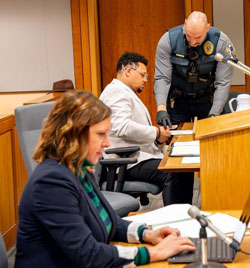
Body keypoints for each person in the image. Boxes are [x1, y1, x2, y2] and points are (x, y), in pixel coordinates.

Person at [14, 90, 195, 268]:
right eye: (101, 134)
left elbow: (109, 221)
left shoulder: (78, 168)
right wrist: (152, 253)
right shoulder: (51, 183)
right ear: (74, 134)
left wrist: (147, 234)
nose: (108, 143)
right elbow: (88, 254)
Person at [100, 51, 194, 206]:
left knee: (183, 165)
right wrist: (156, 132)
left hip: (137, 156)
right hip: (127, 162)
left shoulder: (124, 91)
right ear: (128, 71)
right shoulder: (116, 92)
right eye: (143, 75)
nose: (145, 80)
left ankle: (185, 213)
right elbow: (122, 126)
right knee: (175, 170)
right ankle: (176, 220)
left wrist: (159, 134)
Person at [154, 11, 235, 127]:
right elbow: (162, 77)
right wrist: (161, 109)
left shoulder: (221, 43)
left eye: (198, 37)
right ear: (185, 24)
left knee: (211, 140)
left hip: (207, 100)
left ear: (208, 28)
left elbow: (223, 83)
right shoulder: (168, 40)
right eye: (188, 36)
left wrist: (214, 114)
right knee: (176, 141)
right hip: (178, 101)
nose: (192, 42)